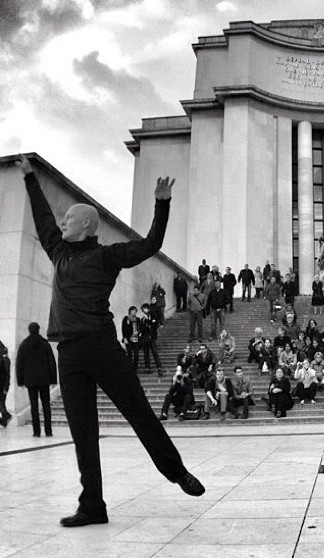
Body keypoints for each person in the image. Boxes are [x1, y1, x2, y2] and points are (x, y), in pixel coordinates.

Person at [18, 155, 204, 527]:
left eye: (68, 219)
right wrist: (30, 180)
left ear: (86, 225)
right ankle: (92, 506)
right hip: (68, 353)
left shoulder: (108, 257)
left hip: (102, 348)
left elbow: (150, 244)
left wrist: (162, 204)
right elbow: (42, 221)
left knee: (139, 412)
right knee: (82, 432)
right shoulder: (58, 252)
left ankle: (177, 472)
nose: (62, 223)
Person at [16, 322, 58, 437]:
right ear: (39, 330)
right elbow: (51, 363)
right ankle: (48, 431)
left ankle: (36, 431)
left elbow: (19, 364)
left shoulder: (24, 345)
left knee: (34, 406)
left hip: (31, 381)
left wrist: (20, 381)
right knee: (46, 405)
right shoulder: (45, 344)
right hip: (44, 380)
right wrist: (53, 380)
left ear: (29, 330)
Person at [140, 303, 163, 376]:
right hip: (145, 337)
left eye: (145, 308)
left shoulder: (152, 316)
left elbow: (154, 325)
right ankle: (147, 367)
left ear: (148, 309)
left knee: (155, 352)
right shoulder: (142, 318)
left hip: (152, 337)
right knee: (146, 353)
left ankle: (159, 367)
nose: (144, 310)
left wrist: (148, 321)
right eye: (143, 309)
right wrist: (148, 322)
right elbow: (142, 328)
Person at [121, 306, 141, 371]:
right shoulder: (126, 318)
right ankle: (130, 368)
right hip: (129, 338)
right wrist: (124, 338)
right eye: (133, 311)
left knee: (136, 354)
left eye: (135, 311)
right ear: (130, 311)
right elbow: (123, 329)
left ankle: (135, 368)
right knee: (129, 354)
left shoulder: (137, 319)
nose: (134, 312)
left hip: (136, 338)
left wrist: (139, 332)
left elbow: (140, 327)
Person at [0, 341, 12, 427]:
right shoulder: (5, 359)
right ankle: (5, 419)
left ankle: (6, 416)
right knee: (1, 403)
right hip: (3, 384)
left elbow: (7, 374)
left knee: (1, 403)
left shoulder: (5, 360)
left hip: (2, 385)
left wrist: (6, 386)